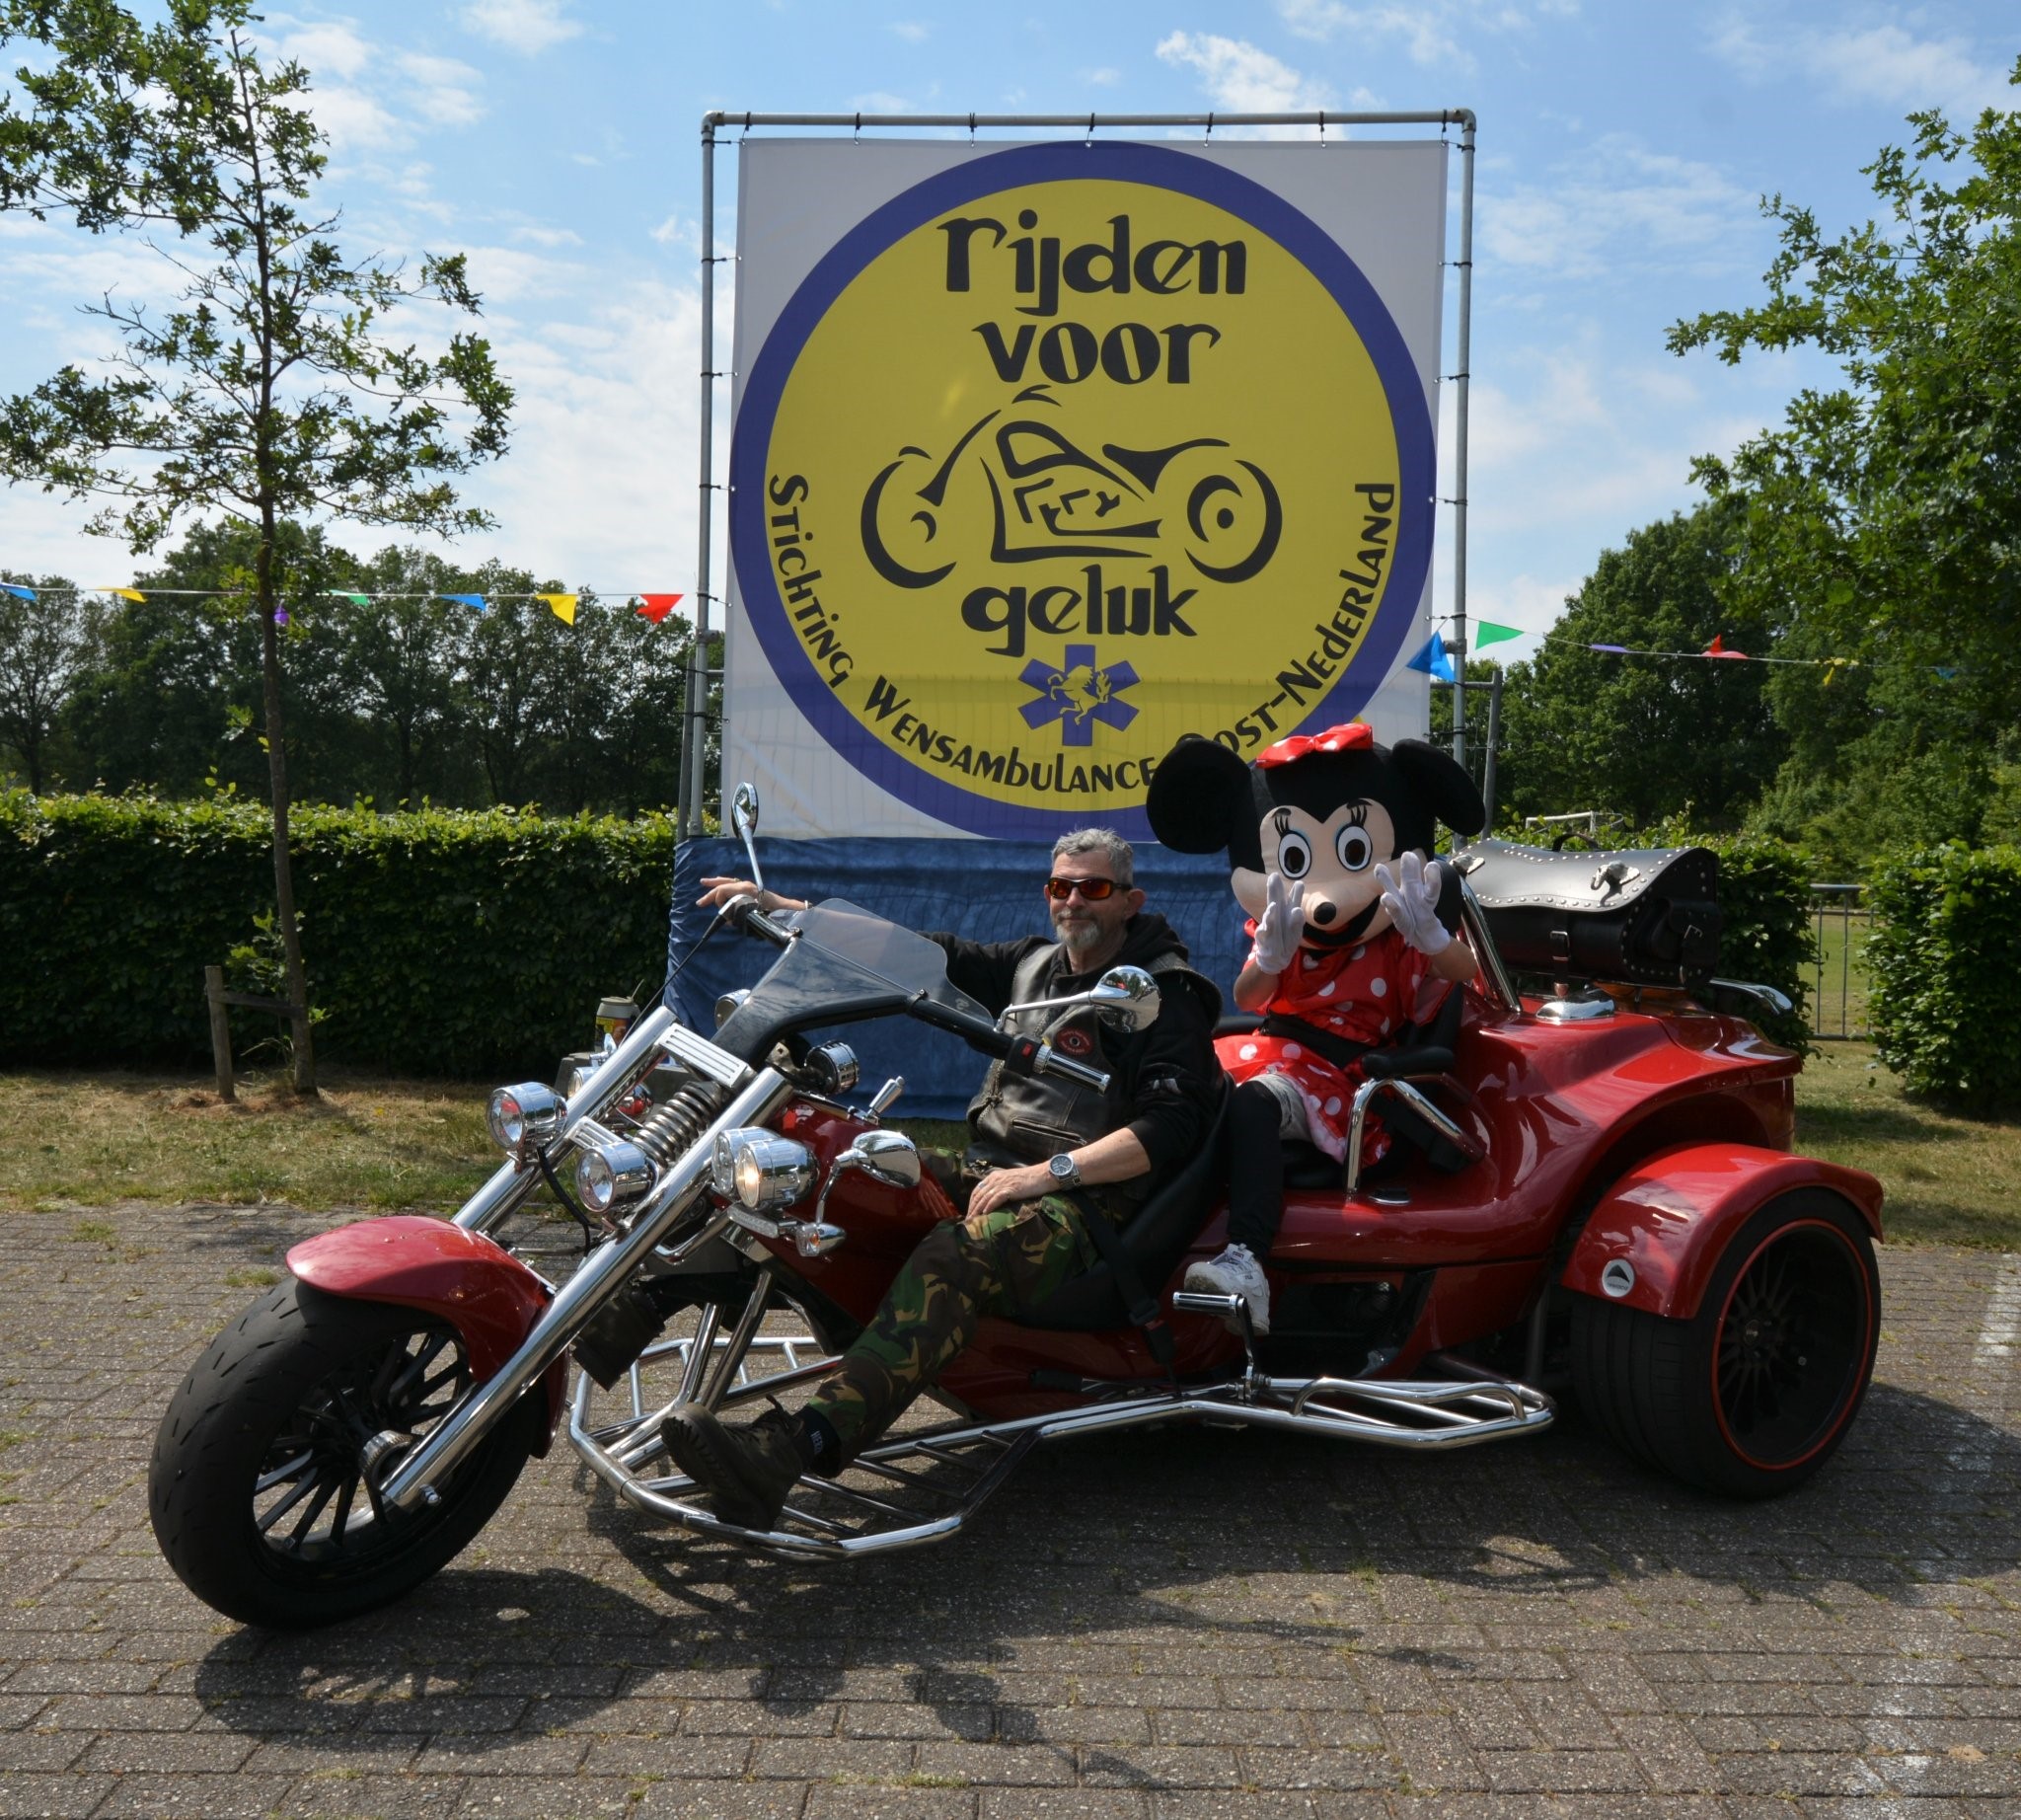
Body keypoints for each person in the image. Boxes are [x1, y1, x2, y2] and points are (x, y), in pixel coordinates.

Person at [662, 829, 1222, 1531]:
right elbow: (922, 953)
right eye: (1061, 885)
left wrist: (1045, 1176)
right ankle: (623, 1318)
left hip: (1084, 1209)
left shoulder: (1164, 995)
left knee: (952, 1257)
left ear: (1130, 899)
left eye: (1094, 887)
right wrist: (788, 908)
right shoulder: (1033, 964)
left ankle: (795, 1447)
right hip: (991, 1169)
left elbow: (1171, 1131)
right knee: (828, 1177)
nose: (1073, 898)